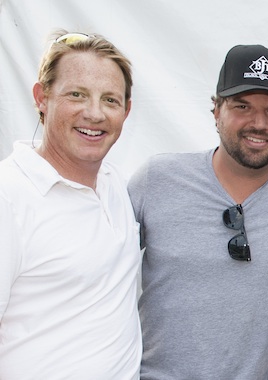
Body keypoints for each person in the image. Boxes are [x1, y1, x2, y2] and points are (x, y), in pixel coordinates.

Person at [128, 44, 268, 380]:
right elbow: (96, 273)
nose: (259, 123)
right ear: (216, 111)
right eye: (242, 106)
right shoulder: (157, 179)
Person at [0, 30, 141, 379]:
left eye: (110, 100)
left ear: (126, 110)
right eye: (77, 94)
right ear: (41, 97)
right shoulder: (9, 196)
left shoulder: (116, 186)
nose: (94, 114)